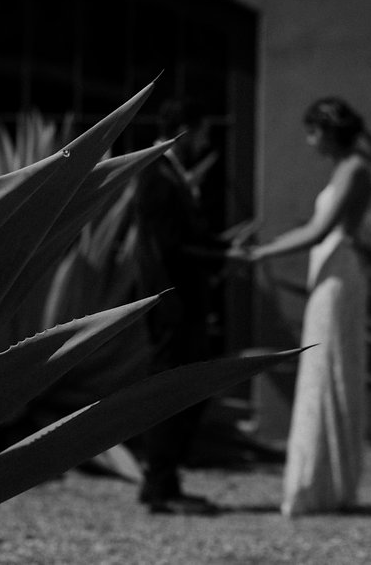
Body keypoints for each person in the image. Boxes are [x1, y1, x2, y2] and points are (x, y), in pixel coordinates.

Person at [229, 96, 371, 516]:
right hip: (330, 270)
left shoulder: (355, 169)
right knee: (322, 370)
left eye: (312, 132)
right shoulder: (343, 169)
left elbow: (318, 231)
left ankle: (321, 484)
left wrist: (263, 252)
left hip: (338, 273)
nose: (310, 142)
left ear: (328, 131)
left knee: (330, 368)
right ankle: (320, 483)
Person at [132, 97, 223, 515]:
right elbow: (169, 248)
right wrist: (222, 258)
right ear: (185, 130)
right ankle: (159, 485)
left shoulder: (170, 174)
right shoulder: (157, 175)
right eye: (203, 133)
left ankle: (164, 481)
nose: (206, 143)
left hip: (182, 304)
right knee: (170, 391)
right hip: (172, 306)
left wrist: (220, 250)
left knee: (186, 389)